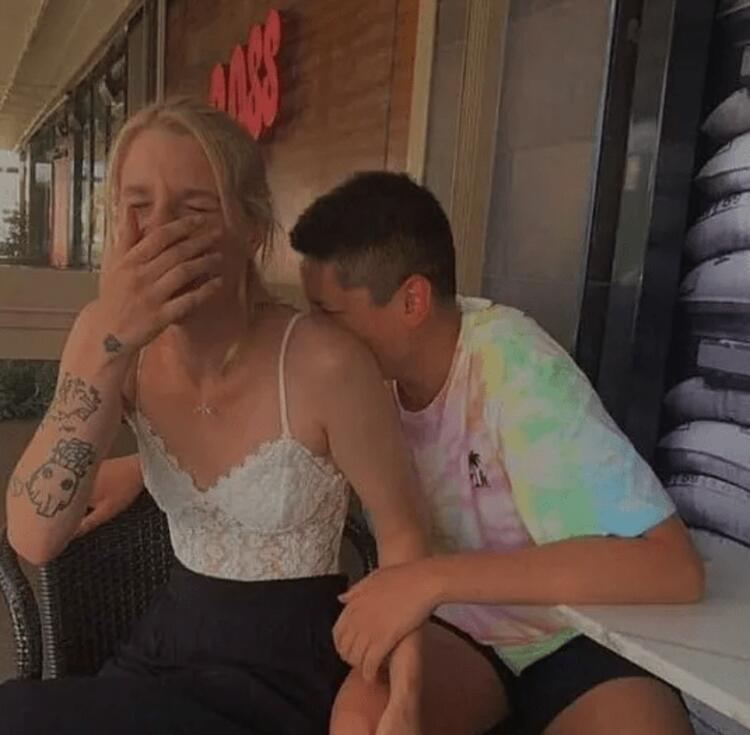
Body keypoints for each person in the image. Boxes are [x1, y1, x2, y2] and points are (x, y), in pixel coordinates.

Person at [2, 102, 427, 735]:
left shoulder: (324, 361)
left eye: (194, 209)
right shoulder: (112, 345)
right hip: (166, 652)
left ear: (251, 228)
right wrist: (107, 343)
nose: (159, 232)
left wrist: (404, 691)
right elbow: (33, 538)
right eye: (138, 206)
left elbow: (403, 535)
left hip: (293, 671)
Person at [290, 171, 705, 735]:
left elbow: (672, 567)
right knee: (364, 723)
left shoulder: (515, 366)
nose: (314, 335)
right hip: (460, 630)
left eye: (329, 315)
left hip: (578, 634)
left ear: (411, 300)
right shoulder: (358, 383)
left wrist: (433, 578)